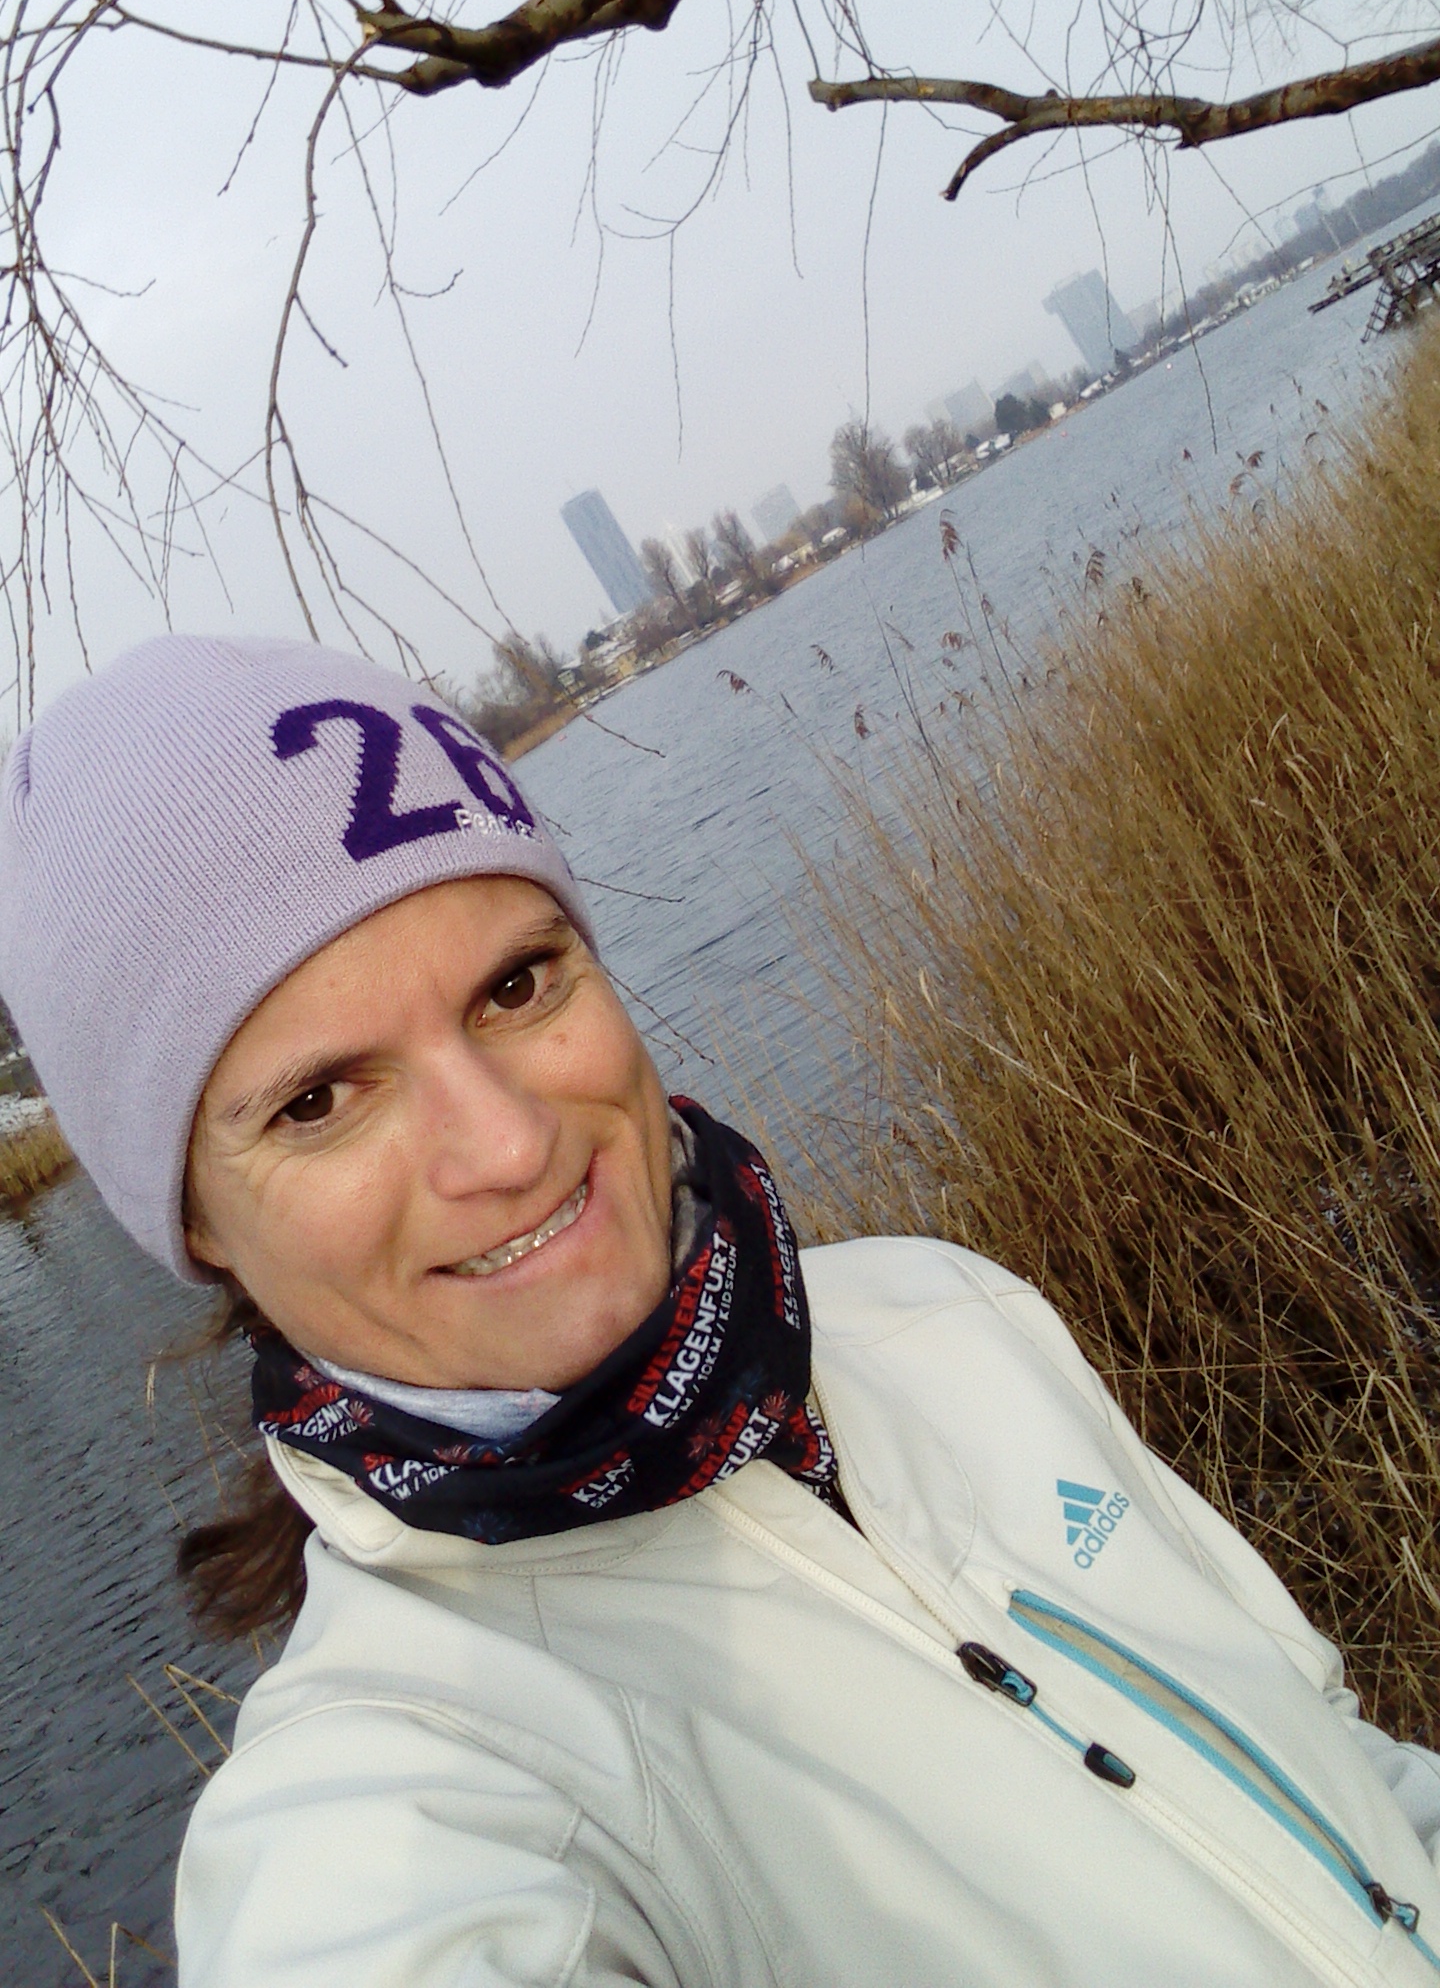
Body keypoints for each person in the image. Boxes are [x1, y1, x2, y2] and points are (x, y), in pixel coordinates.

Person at [4, 632, 1440, 1988]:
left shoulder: (942, 1311)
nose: (507, 1144)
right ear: (198, 1225)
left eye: (517, 984)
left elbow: (1349, 1790)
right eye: (319, 1100)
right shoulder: (396, 1808)